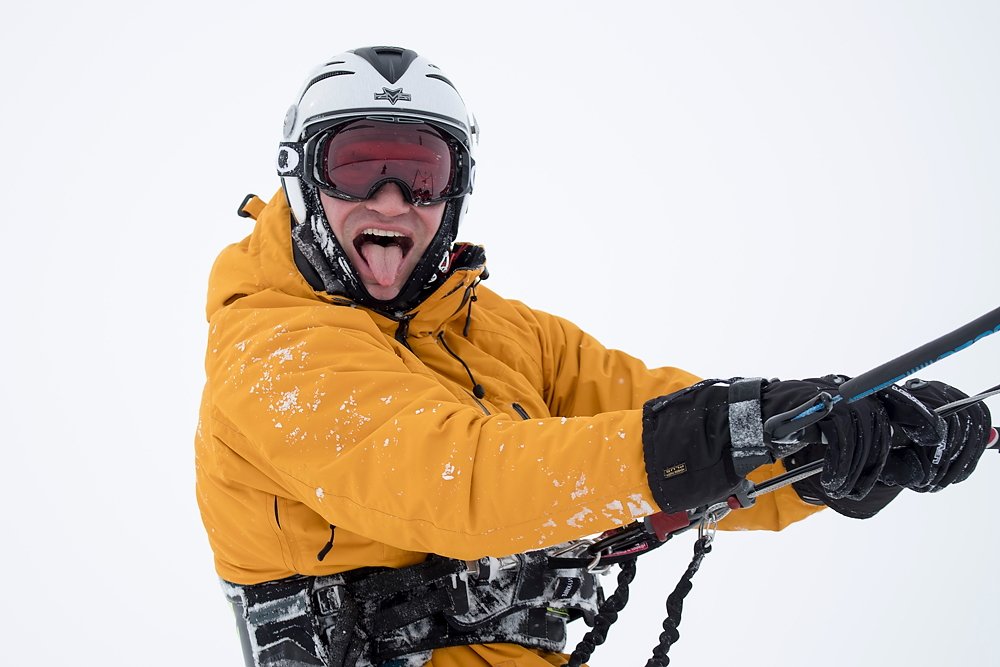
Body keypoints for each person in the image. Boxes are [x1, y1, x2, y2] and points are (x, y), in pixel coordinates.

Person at [195, 46, 993, 667]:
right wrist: (714, 435)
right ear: (302, 181)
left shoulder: (502, 333)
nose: (394, 199)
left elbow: (652, 415)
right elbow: (466, 478)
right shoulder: (271, 351)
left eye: (423, 172)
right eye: (359, 165)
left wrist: (827, 440)